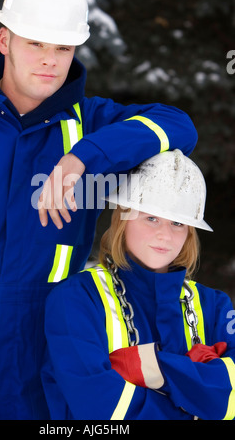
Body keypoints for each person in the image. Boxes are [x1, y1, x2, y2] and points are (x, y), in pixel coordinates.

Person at [0, 0, 198, 420]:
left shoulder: (90, 124)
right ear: (5, 41)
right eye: (35, 43)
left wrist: (85, 157)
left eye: (62, 48)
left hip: (43, 348)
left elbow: (178, 125)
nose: (49, 61)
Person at [42, 149, 235, 420]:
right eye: (151, 218)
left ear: (190, 232)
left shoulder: (214, 306)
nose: (164, 235)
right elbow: (98, 405)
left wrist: (147, 367)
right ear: (123, 217)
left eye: (178, 223)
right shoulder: (76, 299)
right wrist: (197, 385)